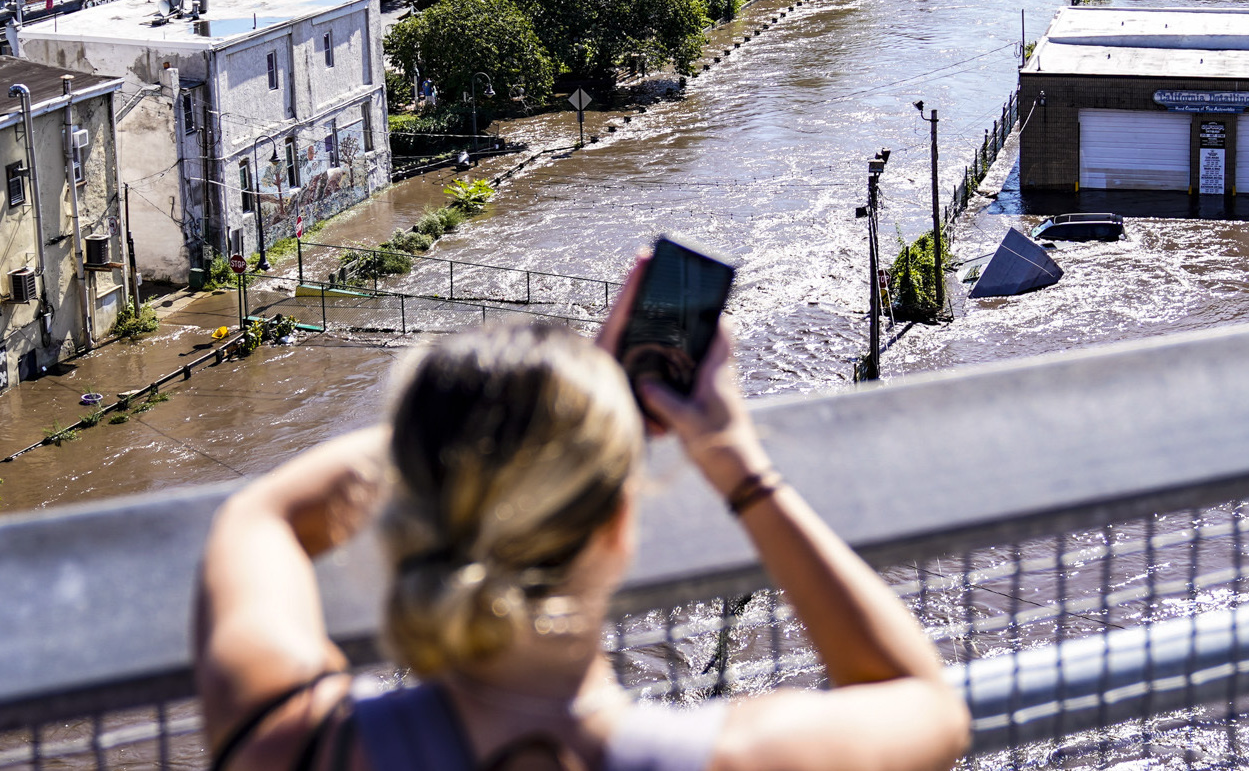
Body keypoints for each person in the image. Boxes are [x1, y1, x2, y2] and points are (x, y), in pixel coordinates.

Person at [194, 259, 969, 771]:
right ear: (618, 529)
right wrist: (734, 462)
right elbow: (923, 700)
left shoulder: (298, 745)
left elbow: (262, 517)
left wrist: (502, 422)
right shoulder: (738, 757)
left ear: (411, 506)